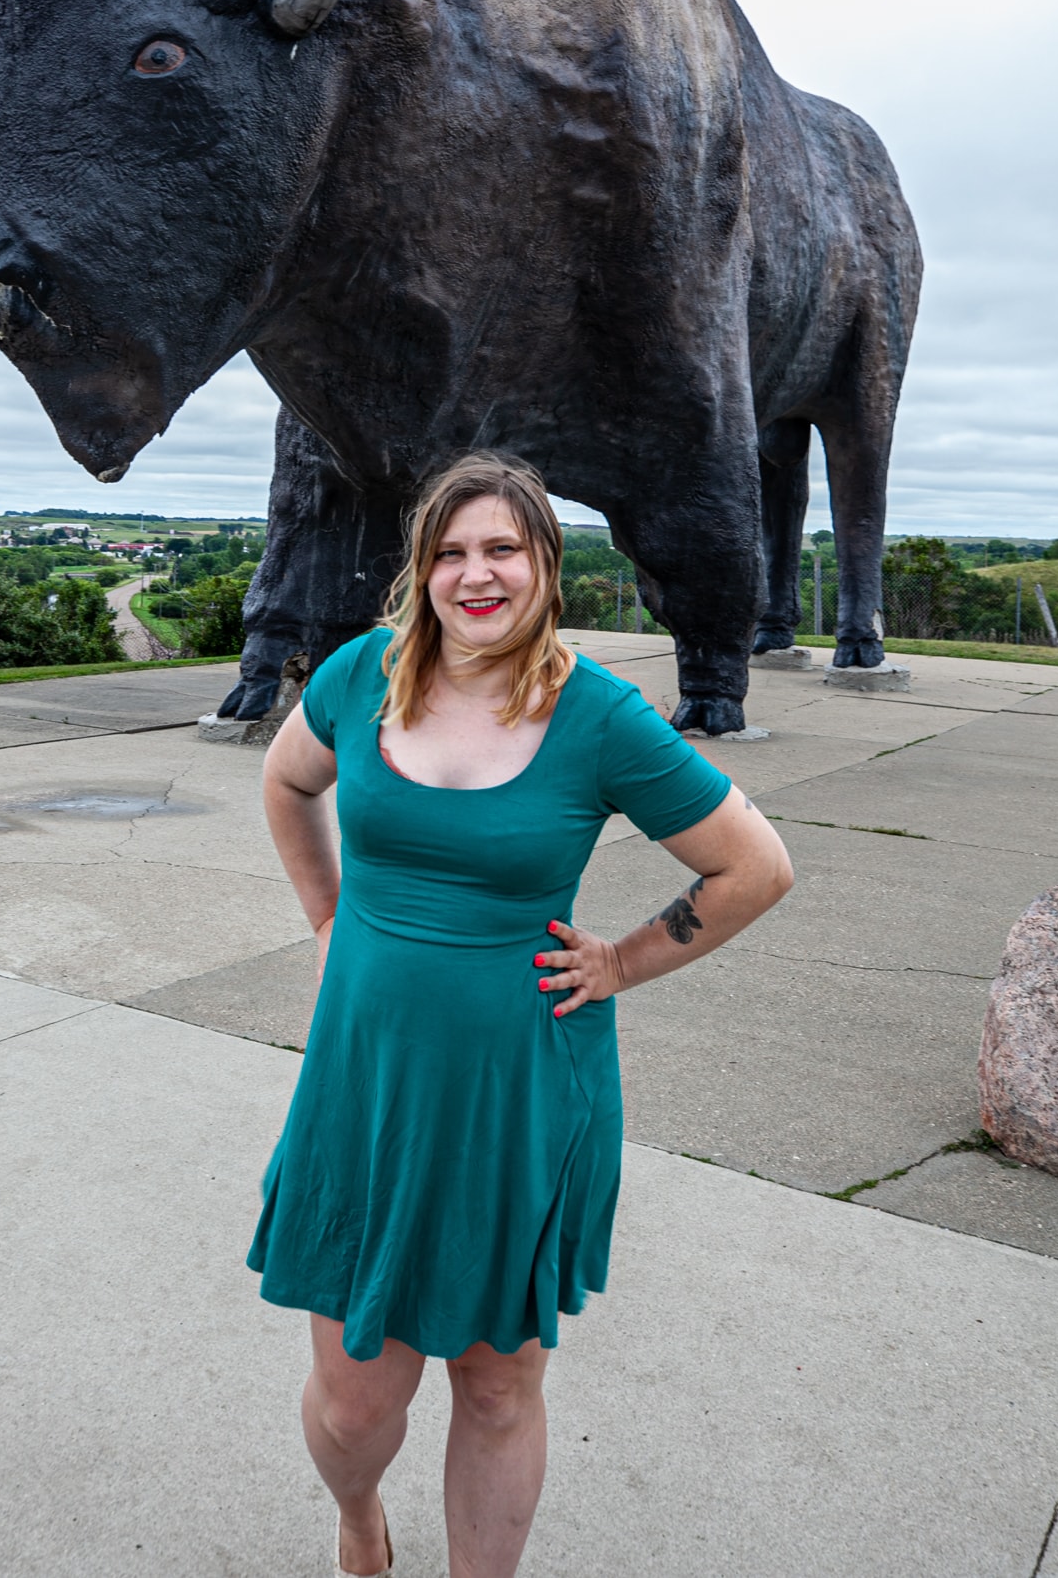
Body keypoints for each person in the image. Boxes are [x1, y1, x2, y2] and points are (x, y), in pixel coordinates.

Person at [248, 452, 793, 1578]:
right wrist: (325, 920)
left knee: (497, 1386)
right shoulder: (362, 676)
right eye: (449, 552)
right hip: (368, 1080)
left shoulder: (597, 717)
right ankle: (358, 1523)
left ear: (543, 564)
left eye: (499, 548)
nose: (473, 574)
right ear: (420, 569)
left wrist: (626, 961)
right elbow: (286, 783)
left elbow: (754, 867)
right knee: (355, 1404)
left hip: (520, 1090)